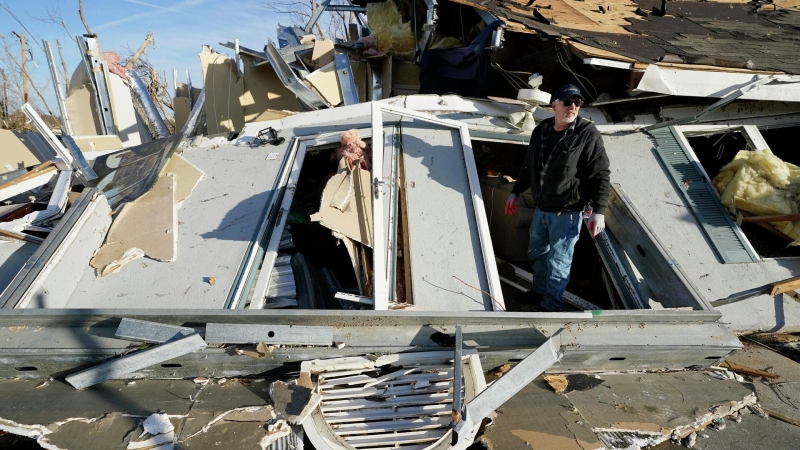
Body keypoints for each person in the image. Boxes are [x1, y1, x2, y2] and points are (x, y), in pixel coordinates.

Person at [504, 84, 610, 312]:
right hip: (541, 208)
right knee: (536, 253)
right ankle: (539, 291)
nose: (573, 107)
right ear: (554, 105)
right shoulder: (541, 130)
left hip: (568, 212)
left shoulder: (587, 133)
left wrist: (599, 211)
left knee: (558, 262)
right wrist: (515, 191)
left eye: (577, 103)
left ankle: (551, 305)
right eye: (568, 102)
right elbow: (529, 166)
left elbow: (600, 175)